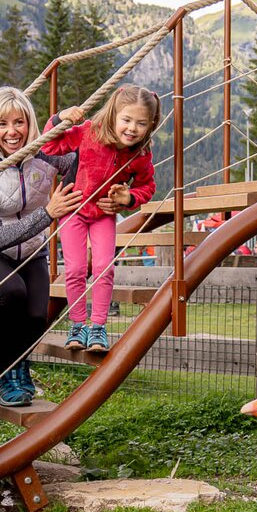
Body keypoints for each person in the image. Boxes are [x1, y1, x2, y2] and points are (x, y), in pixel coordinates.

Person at [0, 86, 83, 407]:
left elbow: (80, 157)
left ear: (30, 123)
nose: (12, 132)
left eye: (19, 122)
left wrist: (59, 122)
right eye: (2, 124)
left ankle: (21, 370)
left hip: (32, 250)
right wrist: (48, 213)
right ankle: (5, 379)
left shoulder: (43, 155)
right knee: (13, 293)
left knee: (37, 314)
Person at [41, 85, 161, 352]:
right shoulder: (89, 132)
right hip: (73, 209)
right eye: (126, 120)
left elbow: (147, 186)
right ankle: (77, 325)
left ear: (151, 124)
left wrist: (128, 198)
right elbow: (49, 145)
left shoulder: (140, 154)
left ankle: (98, 328)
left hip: (103, 214)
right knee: (74, 269)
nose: (132, 128)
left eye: (141, 123)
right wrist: (60, 119)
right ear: (113, 115)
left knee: (104, 267)